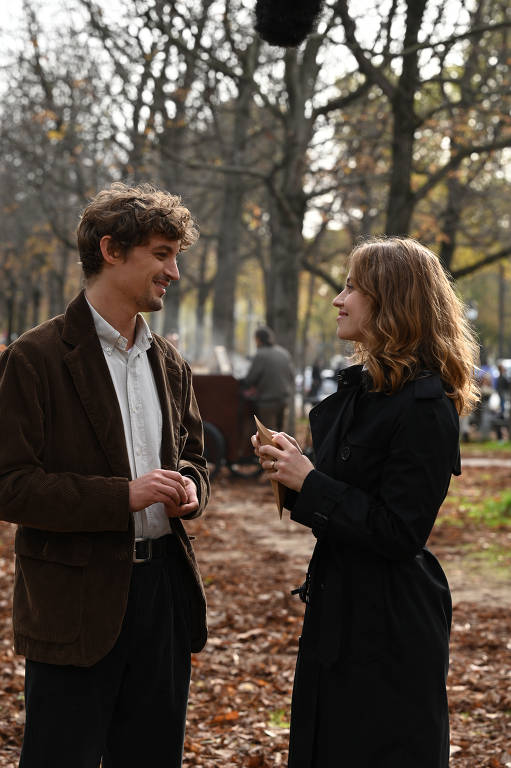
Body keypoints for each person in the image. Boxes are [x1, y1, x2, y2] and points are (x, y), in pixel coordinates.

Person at [0, 182, 210, 768]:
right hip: (74, 603)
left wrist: (191, 488)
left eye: (176, 256)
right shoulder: (34, 358)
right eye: (162, 254)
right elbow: (10, 484)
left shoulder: (169, 361)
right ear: (113, 250)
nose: (173, 271)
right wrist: (124, 496)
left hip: (162, 597)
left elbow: (196, 457)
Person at [252, 237, 479, 768]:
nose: (338, 298)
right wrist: (295, 466)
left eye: (352, 286)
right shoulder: (368, 391)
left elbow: (400, 531)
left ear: (392, 301)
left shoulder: (424, 406)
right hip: (340, 611)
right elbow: (350, 496)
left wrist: (311, 483)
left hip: (389, 629)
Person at [243, 325, 295, 432]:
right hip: (284, 400)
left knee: (269, 436)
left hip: (268, 403)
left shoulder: (260, 354)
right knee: (281, 435)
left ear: (258, 339)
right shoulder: (283, 353)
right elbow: (292, 376)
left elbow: (250, 380)